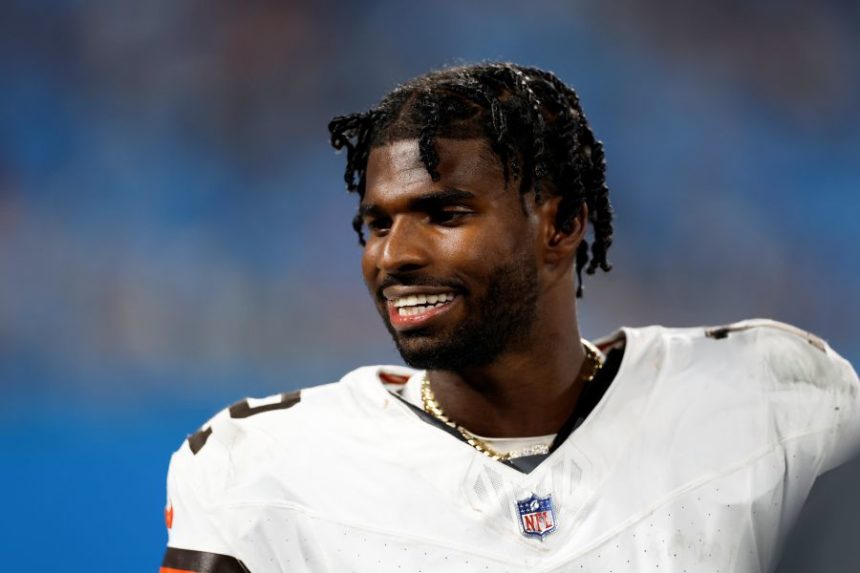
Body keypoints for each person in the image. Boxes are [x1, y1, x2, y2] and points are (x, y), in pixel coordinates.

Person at [160, 63, 859, 573]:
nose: (394, 254)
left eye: (445, 213)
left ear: (560, 224)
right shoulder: (261, 467)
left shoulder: (778, 397)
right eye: (375, 224)